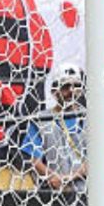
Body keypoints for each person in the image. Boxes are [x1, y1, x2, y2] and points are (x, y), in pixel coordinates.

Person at [23, 64, 87, 192]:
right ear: (54, 91)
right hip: (52, 193)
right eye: (65, 86)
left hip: (86, 193)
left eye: (76, 86)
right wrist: (52, 177)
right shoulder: (40, 120)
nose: (71, 91)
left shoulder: (89, 119)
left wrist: (66, 179)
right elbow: (33, 159)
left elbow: (96, 159)